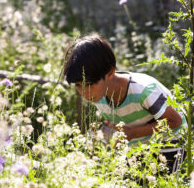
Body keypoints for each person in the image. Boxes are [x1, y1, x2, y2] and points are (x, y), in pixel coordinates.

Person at [63, 33, 187, 173]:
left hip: (170, 147)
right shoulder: (98, 94)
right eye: (78, 85)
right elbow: (124, 124)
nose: (84, 92)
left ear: (110, 73)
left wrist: (133, 133)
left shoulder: (143, 90)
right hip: (139, 149)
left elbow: (175, 121)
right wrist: (105, 133)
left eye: (89, 84)